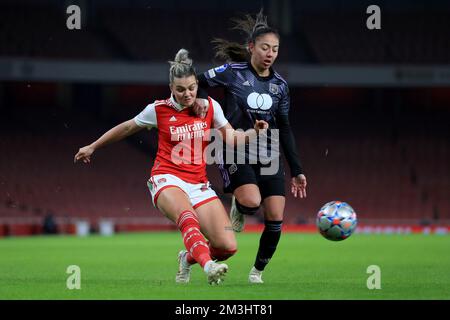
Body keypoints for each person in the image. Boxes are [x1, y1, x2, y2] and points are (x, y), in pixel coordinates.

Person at [74, 49, 268, 285]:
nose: (187, 94)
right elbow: (126, 128)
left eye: (191, 88)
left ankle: (187, 259)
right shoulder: (157, 110)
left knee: (227, 246)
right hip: (167, 179)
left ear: (197, 84)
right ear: (171, 88)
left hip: (198, 183)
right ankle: (208, 267)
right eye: (180, 89)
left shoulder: (211, 107)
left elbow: (232, 138)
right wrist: (93, 146)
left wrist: (253, 133)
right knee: (187, 217)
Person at [195, 10, 307, 284]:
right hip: (234, 146)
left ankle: (257, 272)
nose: (270, 53)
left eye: (275, 49)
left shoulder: (280, 87)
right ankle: (239, 207)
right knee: (250, 201)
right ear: (251, 48)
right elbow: (198, 80)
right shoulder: (232, 73)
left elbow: (285, 127)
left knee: (276, 218)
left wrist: (297, 170)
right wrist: (200, 100)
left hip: (268, 152)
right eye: (265, 47)